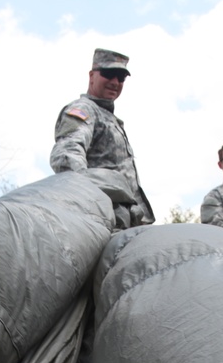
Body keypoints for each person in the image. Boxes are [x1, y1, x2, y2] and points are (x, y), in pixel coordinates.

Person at [50, 48, 154, 229]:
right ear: (92, 76)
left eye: (121, 78)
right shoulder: (84, 110)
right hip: (105, 221)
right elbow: (67, 157)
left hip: (128, 223)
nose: (115, 82)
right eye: (109, 74)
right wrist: (95, 204)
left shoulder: (108, 118)